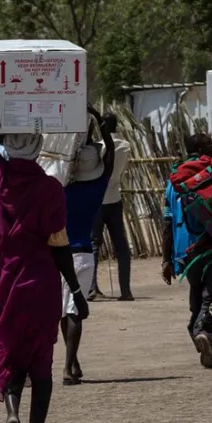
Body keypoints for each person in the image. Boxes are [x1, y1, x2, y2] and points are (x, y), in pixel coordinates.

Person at [0, 51, 88, 423]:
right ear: (37, 143)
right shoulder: (50, 189)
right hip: (41, 285)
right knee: (42, 368)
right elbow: (60, 246)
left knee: (12, 358)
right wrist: (75, 289)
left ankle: (11, 413)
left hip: (5, 283)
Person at [163, 133, 212, 368]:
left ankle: (205, 339)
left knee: (197, 291)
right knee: (211, 295)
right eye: (211, 145)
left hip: (183, 247)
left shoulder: (174, 178)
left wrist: (166, 259)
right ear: (202, 149)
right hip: (210, 241)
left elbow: (168, 220)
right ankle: (202, 330)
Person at [60, 108, 116, 385]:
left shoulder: (59, 188)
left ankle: (72, 361)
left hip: (57, 252)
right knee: (74, 311)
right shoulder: (97, 188)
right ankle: (69, 365)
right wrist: (100, 122)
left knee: (63, 310)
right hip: (82, 252)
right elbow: (111, 156)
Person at [93, 113, 134, 300]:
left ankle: (92, 287)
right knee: (121, 245)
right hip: (115, 196)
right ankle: (125, 290)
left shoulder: (98, 147)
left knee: (93, 243)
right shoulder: (126, 146)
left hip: (97, 200)